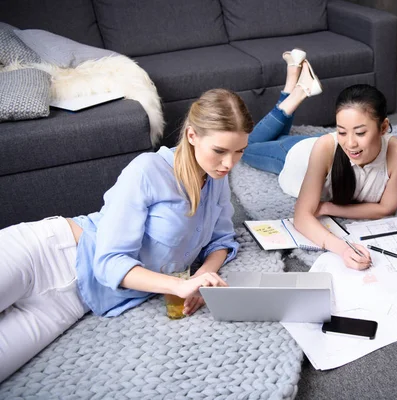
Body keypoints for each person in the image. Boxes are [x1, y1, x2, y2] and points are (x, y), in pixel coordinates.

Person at [0, 88, 254, 382]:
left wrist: (202, 280)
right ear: (192, 135)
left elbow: (221, 241)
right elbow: (108, 262)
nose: (229, 164)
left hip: (76, 301)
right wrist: (176, 284)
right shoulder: (147, 171)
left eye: (239, 152)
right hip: (48, 252)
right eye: (220, 151)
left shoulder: (216, 178)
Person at [242, 49, 397, 270]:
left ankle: (294, 81)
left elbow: (386, 208)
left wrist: (328, 208)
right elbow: (302, 217)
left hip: (324, 149)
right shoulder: (326, 146)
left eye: (360, 133)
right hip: (297, 155)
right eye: (341, 131)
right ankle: (296, 91)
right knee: (246, 148)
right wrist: (343, 248)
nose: (350, 142)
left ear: (383, 127)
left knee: (276, 135)